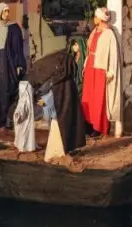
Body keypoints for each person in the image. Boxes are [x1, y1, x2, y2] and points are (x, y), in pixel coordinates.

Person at [25, 35, 85, 160]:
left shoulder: (58, 80)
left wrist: (43, 101)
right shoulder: (67, 80)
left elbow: (48, 98)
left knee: (58, 130)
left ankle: (59, 152)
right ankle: (61, 151)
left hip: (57, 114)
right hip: (59, 112)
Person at [80, 8, 120, 137]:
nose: (94, 19)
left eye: (96, 17)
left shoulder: (109, 34)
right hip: (91, 67)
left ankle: (98, 127)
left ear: (101, 19)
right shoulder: (94, 32)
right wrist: (85, 65)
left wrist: (111, 71)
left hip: (100, 69)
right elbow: (89, 51)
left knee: (98, 98)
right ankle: (88, 125)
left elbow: (113, 54)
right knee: (88, 97)